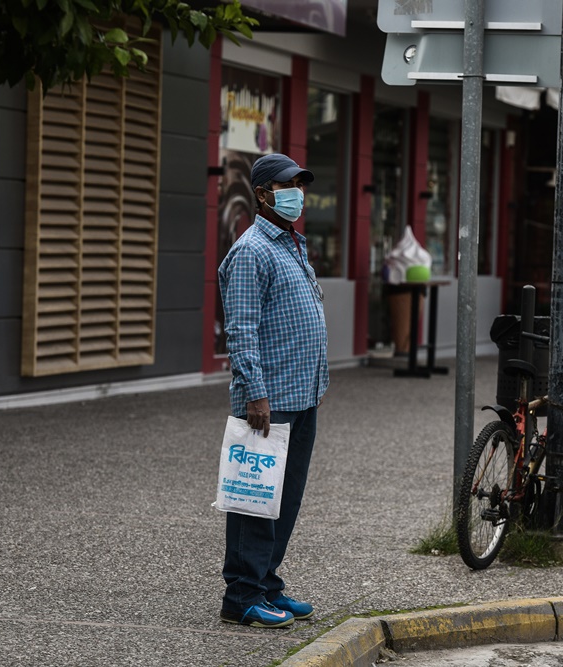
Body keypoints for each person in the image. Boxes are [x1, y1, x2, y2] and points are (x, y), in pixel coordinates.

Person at [217, 153, 329, 629]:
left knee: (284, 499)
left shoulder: (290, 245)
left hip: (302, 394)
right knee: (254, 500)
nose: (297, 193)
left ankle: (266, 586)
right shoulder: (251, 251)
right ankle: (242, 596)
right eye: (287, 185)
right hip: (269, 399)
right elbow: (241, 331)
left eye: (301, 184)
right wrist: (256, 395)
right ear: (262, 194)